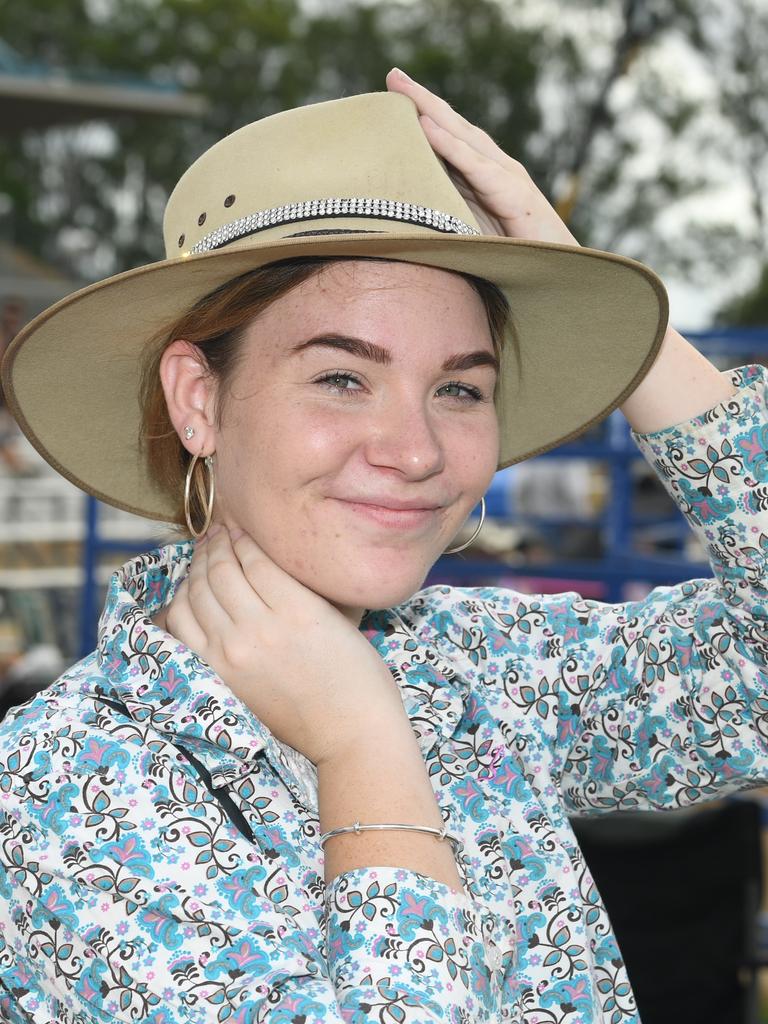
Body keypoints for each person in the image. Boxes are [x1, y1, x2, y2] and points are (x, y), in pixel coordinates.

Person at [0, 69, 763, 1024]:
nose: (416, 452)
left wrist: (630, 333)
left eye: (459, 388)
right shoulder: (68, 784)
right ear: (199, 400)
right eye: (341, 378)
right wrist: (365, 749)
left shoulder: (478, 668)